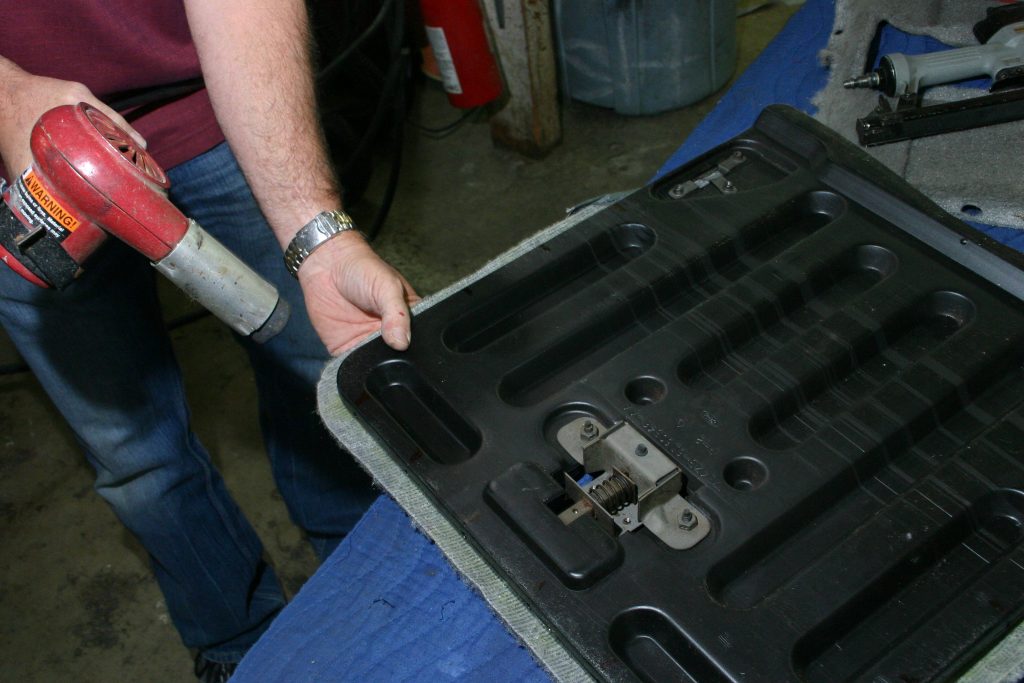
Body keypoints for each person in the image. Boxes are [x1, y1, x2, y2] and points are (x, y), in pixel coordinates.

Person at [0, 1, 417, 680]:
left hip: (211, 109)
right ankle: (239, 642)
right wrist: (5, 93)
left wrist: (315, 233)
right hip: (17, 177)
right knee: (138, 459)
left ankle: (369, 578)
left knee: (321, 372)